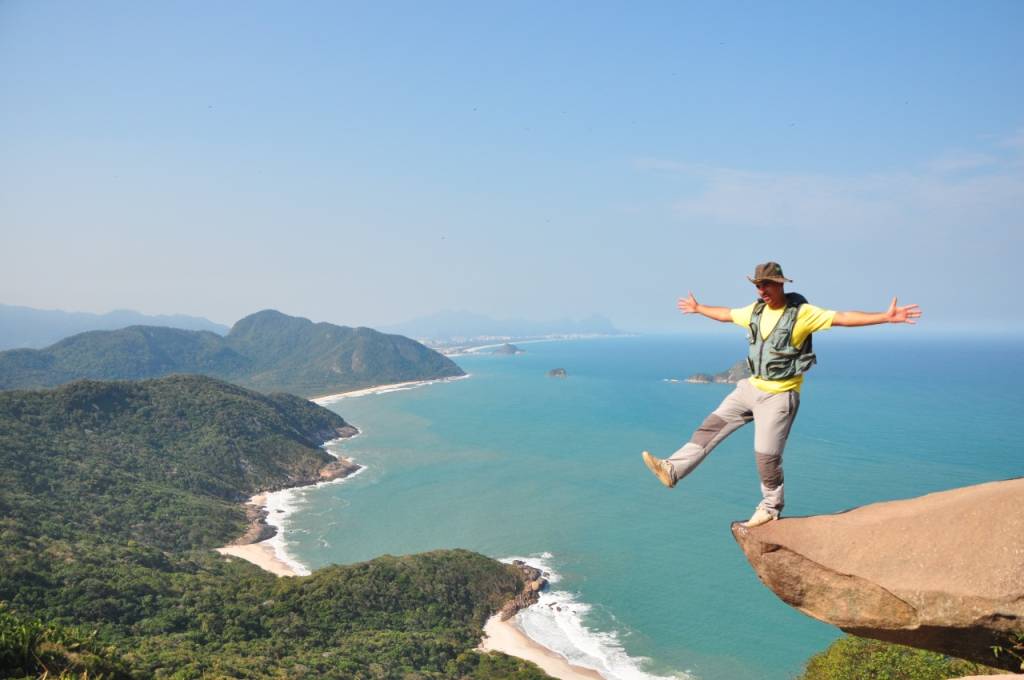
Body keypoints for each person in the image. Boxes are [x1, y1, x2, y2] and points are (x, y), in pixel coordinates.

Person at [642, 261, 922, 527]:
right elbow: (726, 314)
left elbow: (843, 318)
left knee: (766, 456)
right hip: (750, 387)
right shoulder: (755, 311)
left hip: (779, 396)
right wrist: (698, 307)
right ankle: (673, 470)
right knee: (709, 428)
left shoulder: (801, 313)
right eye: (758, 286)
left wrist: (886, 317)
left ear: (780, 284)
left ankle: (770, 507)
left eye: (767, 285)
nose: (762, 291)